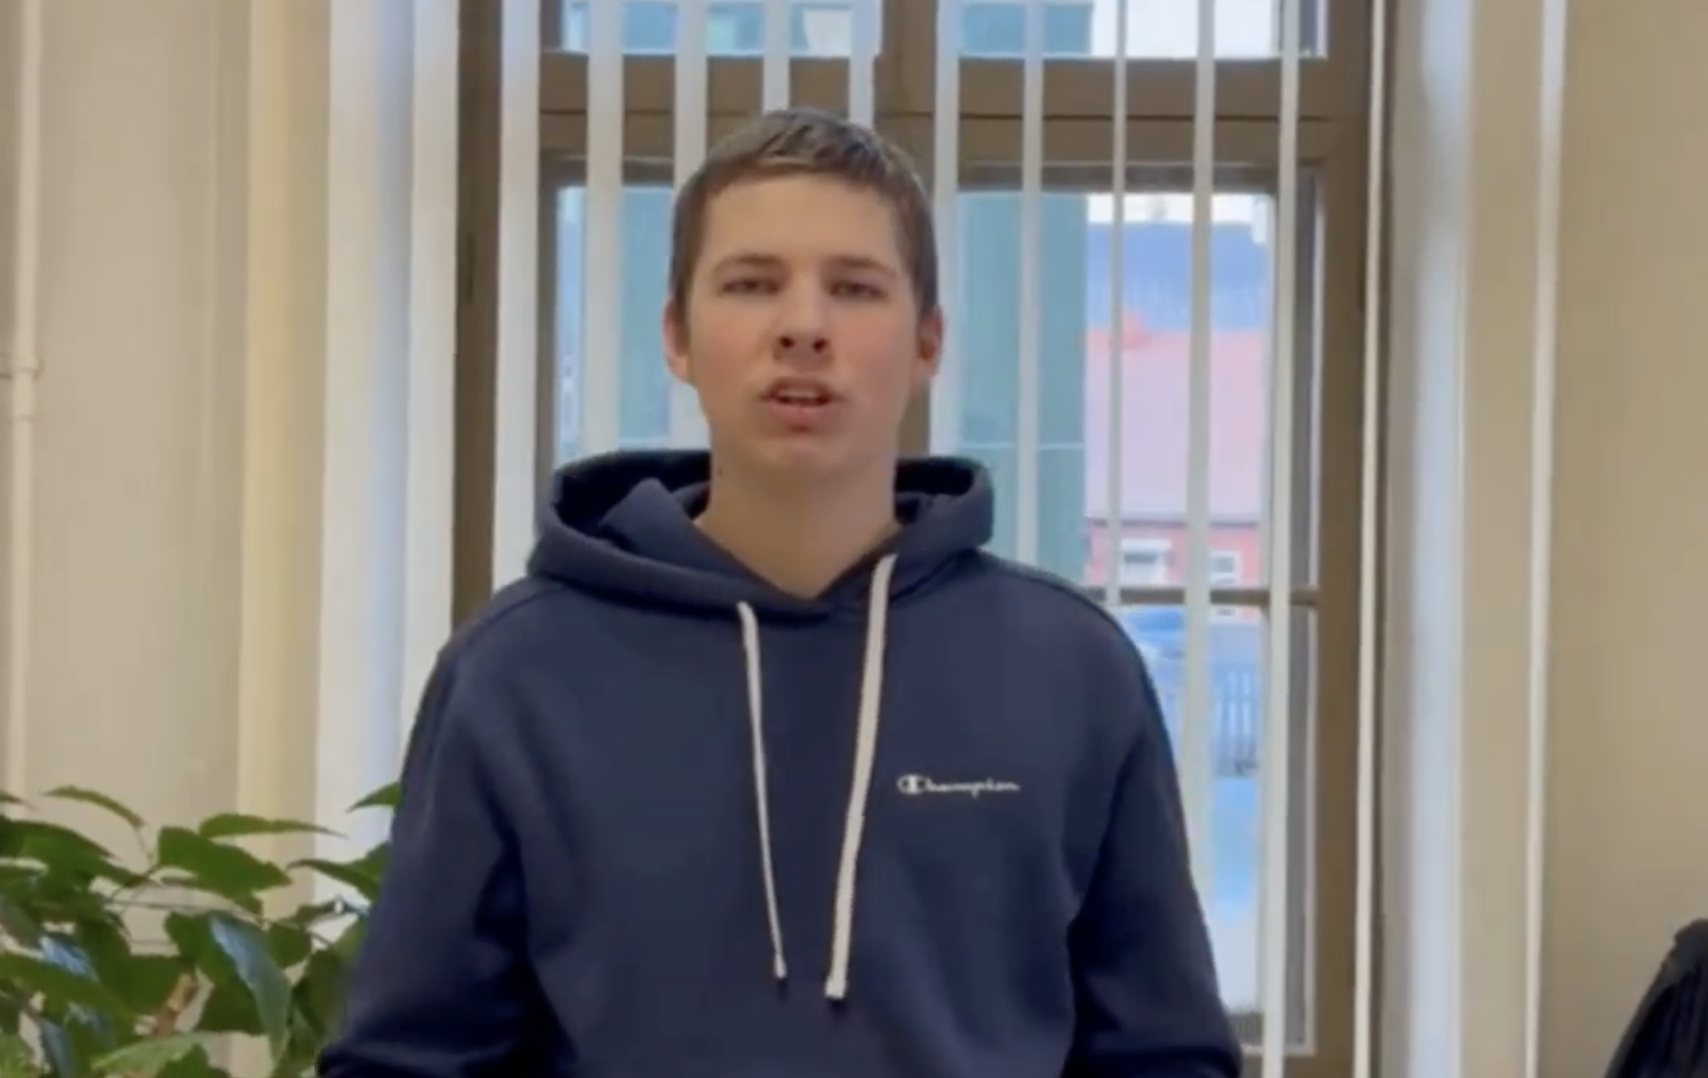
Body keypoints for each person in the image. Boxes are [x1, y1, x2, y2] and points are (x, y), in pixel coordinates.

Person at [318, 108, 1240, 1078]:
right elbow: (407, 1060)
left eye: (855, 287)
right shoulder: (518, 671)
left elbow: (1163, 1055)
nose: (804, 326)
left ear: (927, 342)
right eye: (752, 284)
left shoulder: (1070, 669)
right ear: (677, 337)